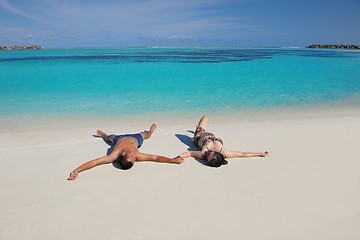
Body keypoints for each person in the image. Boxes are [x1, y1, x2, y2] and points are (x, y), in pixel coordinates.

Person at [68, 123, 184, 180]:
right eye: (134, 158)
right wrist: (173, 160)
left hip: (119, 139)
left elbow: (95, 162)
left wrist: (77, 170)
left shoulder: (114, 155)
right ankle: (150, 132)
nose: (134, 155)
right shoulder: (137, 155)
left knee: (109, 138)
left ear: (123, 154)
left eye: (131, 156)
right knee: (146, 135)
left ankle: (104, 135)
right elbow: (156, 158)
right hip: (136, 139)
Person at [180, 116, 268, 167]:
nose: (207, 156)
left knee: (205, 117)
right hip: (211, 135)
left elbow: (190, 153)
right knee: (206, 118)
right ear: (216, 154)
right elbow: (241, 154)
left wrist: (181, 156)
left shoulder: (203, 153)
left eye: (207, 159)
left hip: (200, 135)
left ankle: (196, 130)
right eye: (210, 155)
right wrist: (259, 154)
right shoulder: (225, 152)